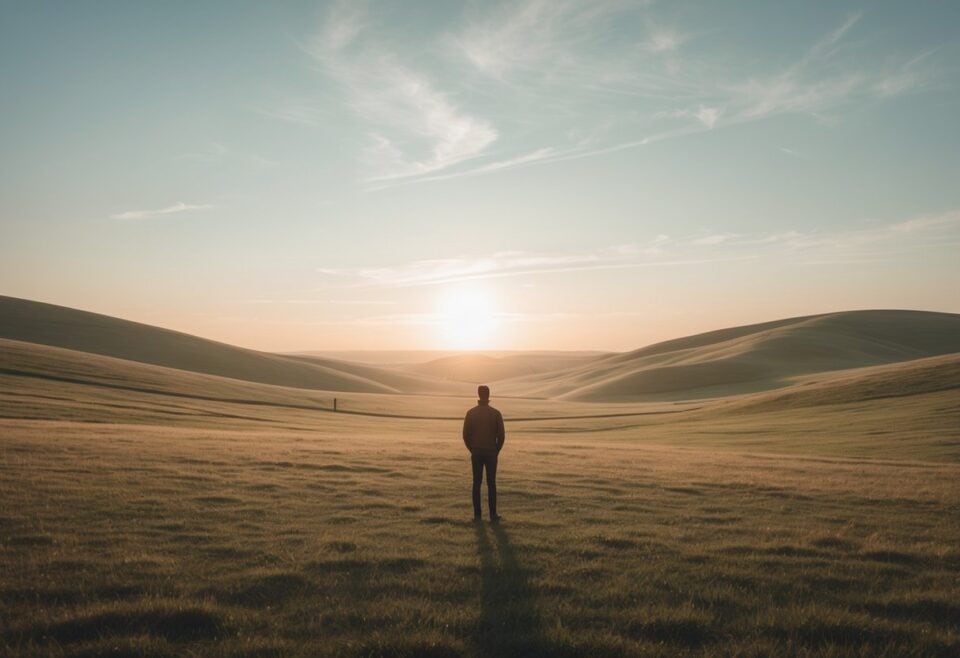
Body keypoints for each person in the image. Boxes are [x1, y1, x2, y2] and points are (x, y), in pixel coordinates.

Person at [462, 385, 505, 522]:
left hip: (476, 452)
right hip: (491, 452)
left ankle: (477, 515)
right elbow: (502, 436)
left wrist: (472, 448)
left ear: (478, 394)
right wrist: (496, 450)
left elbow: (465, 435)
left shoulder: (471, 413)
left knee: (476, 483)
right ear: (488, 395)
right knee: (491, 483)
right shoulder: (496, 413)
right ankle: (493, 514)